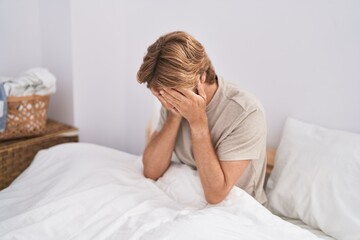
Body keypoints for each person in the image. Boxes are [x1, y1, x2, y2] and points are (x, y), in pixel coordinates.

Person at [137, 31, 267, 205]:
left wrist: (198, 122)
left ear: (201, 78)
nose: (166, 101)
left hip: (238, 212)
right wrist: (174, 115)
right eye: (161, 94)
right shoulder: (172, 100)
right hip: (188, 201)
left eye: (173, 93)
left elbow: (216, 194)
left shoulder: (247, 113)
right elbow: (151, 171)